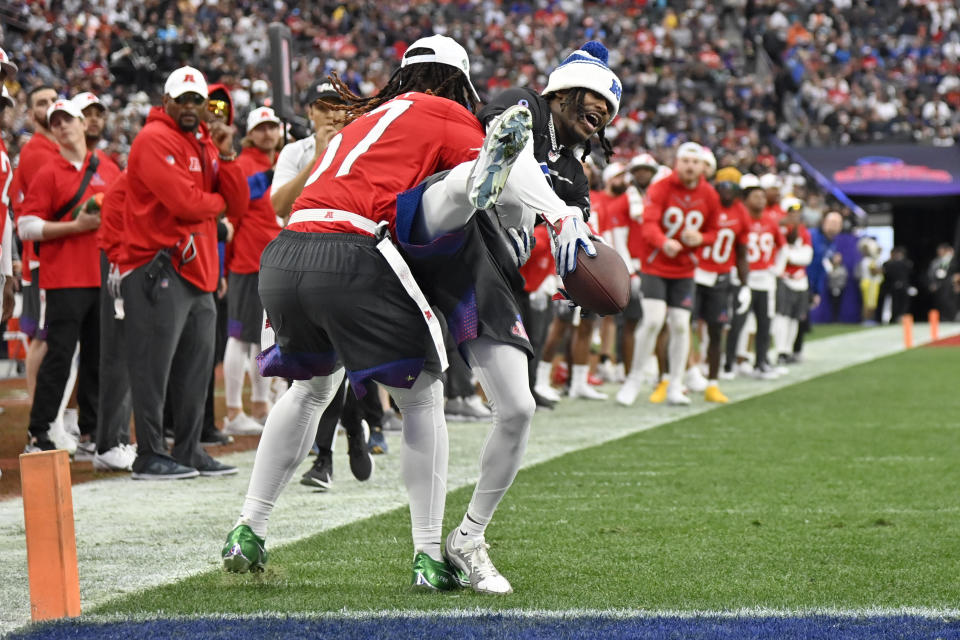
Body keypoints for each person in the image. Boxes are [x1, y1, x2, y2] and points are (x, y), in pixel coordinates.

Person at [222, 36, 511, 589]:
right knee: (423, 395)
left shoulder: (367, 117)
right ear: (455, 82)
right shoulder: (447, 111)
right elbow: (486, 184)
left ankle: (248, 527)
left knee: (308, 390)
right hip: (352, 250)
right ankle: (429, 555)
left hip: (285, 254)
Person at [395, 39, 619, 593]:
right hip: (439, 239)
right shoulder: (520, 103)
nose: (603, 115)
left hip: (489, 270)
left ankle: (467, 538)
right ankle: (252, 522)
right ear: (563, 90)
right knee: (325, 384)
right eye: (597, 100)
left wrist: (578, 277)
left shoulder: (575, 173)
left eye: (612, 110)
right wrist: (559, 213)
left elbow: (580, 243)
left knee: (518, 408)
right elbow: (506, 154)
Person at [121, 66, 248, 479]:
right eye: (184, 100)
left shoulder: (205, 144)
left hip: (197, 269)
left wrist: (226, 155)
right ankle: (149, 453)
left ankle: (190, 449)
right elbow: (186, 204)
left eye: (198, 100)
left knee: (197, 367)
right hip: (158, 265)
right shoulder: (152, 139)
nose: (192, 107)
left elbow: (238, 204)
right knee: (153, 366)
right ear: (167, 101)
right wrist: (215, 206)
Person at [265, 81, 373, 489]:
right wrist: (321, 158)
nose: (332, 113)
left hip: (345, 259)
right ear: (310, 112)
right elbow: (278, 205)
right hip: (295, 258)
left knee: (332, 364)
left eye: (340, 106)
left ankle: (322, 459)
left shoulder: (364, 145)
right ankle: (355, 430)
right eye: (324, 106)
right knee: (312, 367)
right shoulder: (294, 152)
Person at [18, 99, 122, 452]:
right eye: (55, 122)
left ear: (82, 124)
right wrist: (74, 226)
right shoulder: (49, 171)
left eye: (68, 120)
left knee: (97, 356)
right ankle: (40, 431)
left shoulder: (108, 168)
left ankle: (91, 432)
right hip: (63, 278)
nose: (62, 126)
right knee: (60, 355)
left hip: (103, 276)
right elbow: (26, 226)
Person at [616, 142, 719, 407]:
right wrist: (664, 243)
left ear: (702, 166)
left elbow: (714, 232)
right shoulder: (661, 187)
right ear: (677, 162)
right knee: (652, 320)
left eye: (696, 163)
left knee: (682, 325)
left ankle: (676, 384)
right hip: (656, 265)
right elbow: (648, 225)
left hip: (685, 267)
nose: (690, 167)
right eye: (686, 161)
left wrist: (701, 238)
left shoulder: (708, 193)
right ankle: (634, 379)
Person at [221, 106, 284, 435]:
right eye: (261, 128)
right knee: (239, 337)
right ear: (250, 133)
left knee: (264, 337)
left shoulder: (278, 164)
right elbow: (234, 211)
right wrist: (223, 266)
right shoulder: (245, 164)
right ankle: (233, 410)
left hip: (272, 262)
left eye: (272, 127)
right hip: (248, 262)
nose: (268, 133)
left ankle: (260, 404)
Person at [12, 86, 60, 430]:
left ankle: (58, 416)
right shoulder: (35, 151)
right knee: (43, 337)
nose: (48, 107)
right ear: (30, 115)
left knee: (58, 339)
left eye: (53, 101)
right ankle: (39, 418)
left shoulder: (57, 148)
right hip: (42, 257)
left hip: (60, 257)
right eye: (41, 103)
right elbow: (20, 208)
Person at [692, 167, 749, 403]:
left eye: (732, 187)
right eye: (723, 186)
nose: (727, 191)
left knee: (717, 330)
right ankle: (685, 372)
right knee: (682, 324)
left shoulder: (741, 212)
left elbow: (742, 252)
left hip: (721, 277)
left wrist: (745, 284)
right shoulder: (706, 203)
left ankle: (712, 383)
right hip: (695, 272)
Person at [723, 174, 787, 379]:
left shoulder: (771, 221)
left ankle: (761, 363)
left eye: (762, 196)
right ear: (745, 199)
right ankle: (729, 364)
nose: (760, 199)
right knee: (738, 323)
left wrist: (776, 269)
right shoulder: (740, 219)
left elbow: (783, 248)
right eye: (755, 196)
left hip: (765, 280)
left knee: (764, 323)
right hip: (745, 279)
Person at [772, 197, 813, 363]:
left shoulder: (803, 231)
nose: (795, 216)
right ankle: (780, 350)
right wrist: (789, 256)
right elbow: (779, 255)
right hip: (783, 279)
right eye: (792, 212)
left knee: (796, 317)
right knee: (782, 316)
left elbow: (806, 257)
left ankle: (788, 350)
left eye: (798, 212)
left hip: (800, 280)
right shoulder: (778, 229)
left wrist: (790, 256)